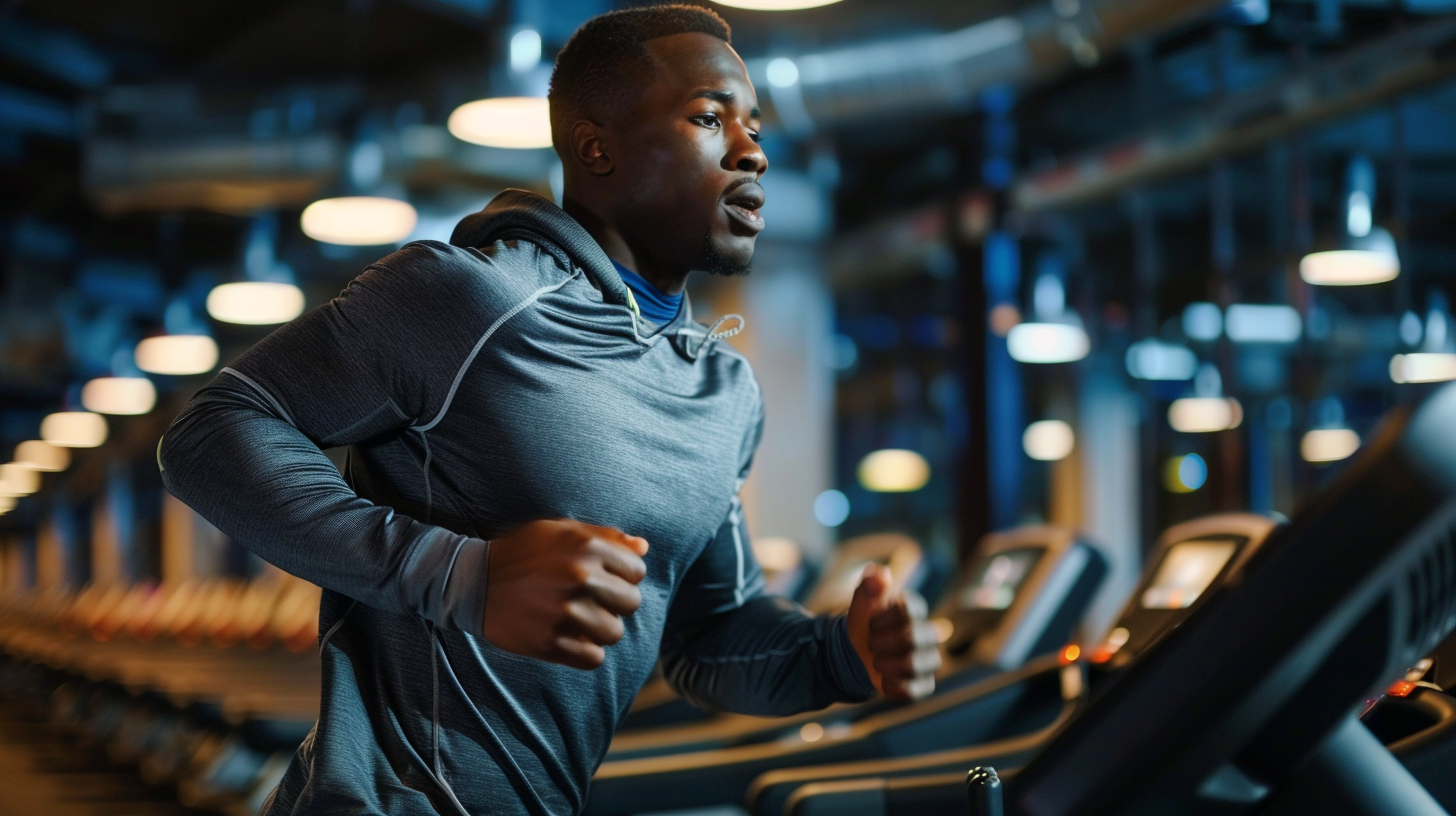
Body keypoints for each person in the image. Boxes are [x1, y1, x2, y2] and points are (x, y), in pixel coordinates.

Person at [159, 5, 939, 815]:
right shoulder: (469, 296)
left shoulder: (721, 391)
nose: (753, 151)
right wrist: (460, 574)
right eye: (709, 117)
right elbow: (211, 432)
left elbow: (709, 638)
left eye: (754, 125)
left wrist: (842, 655)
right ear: (596, 147)